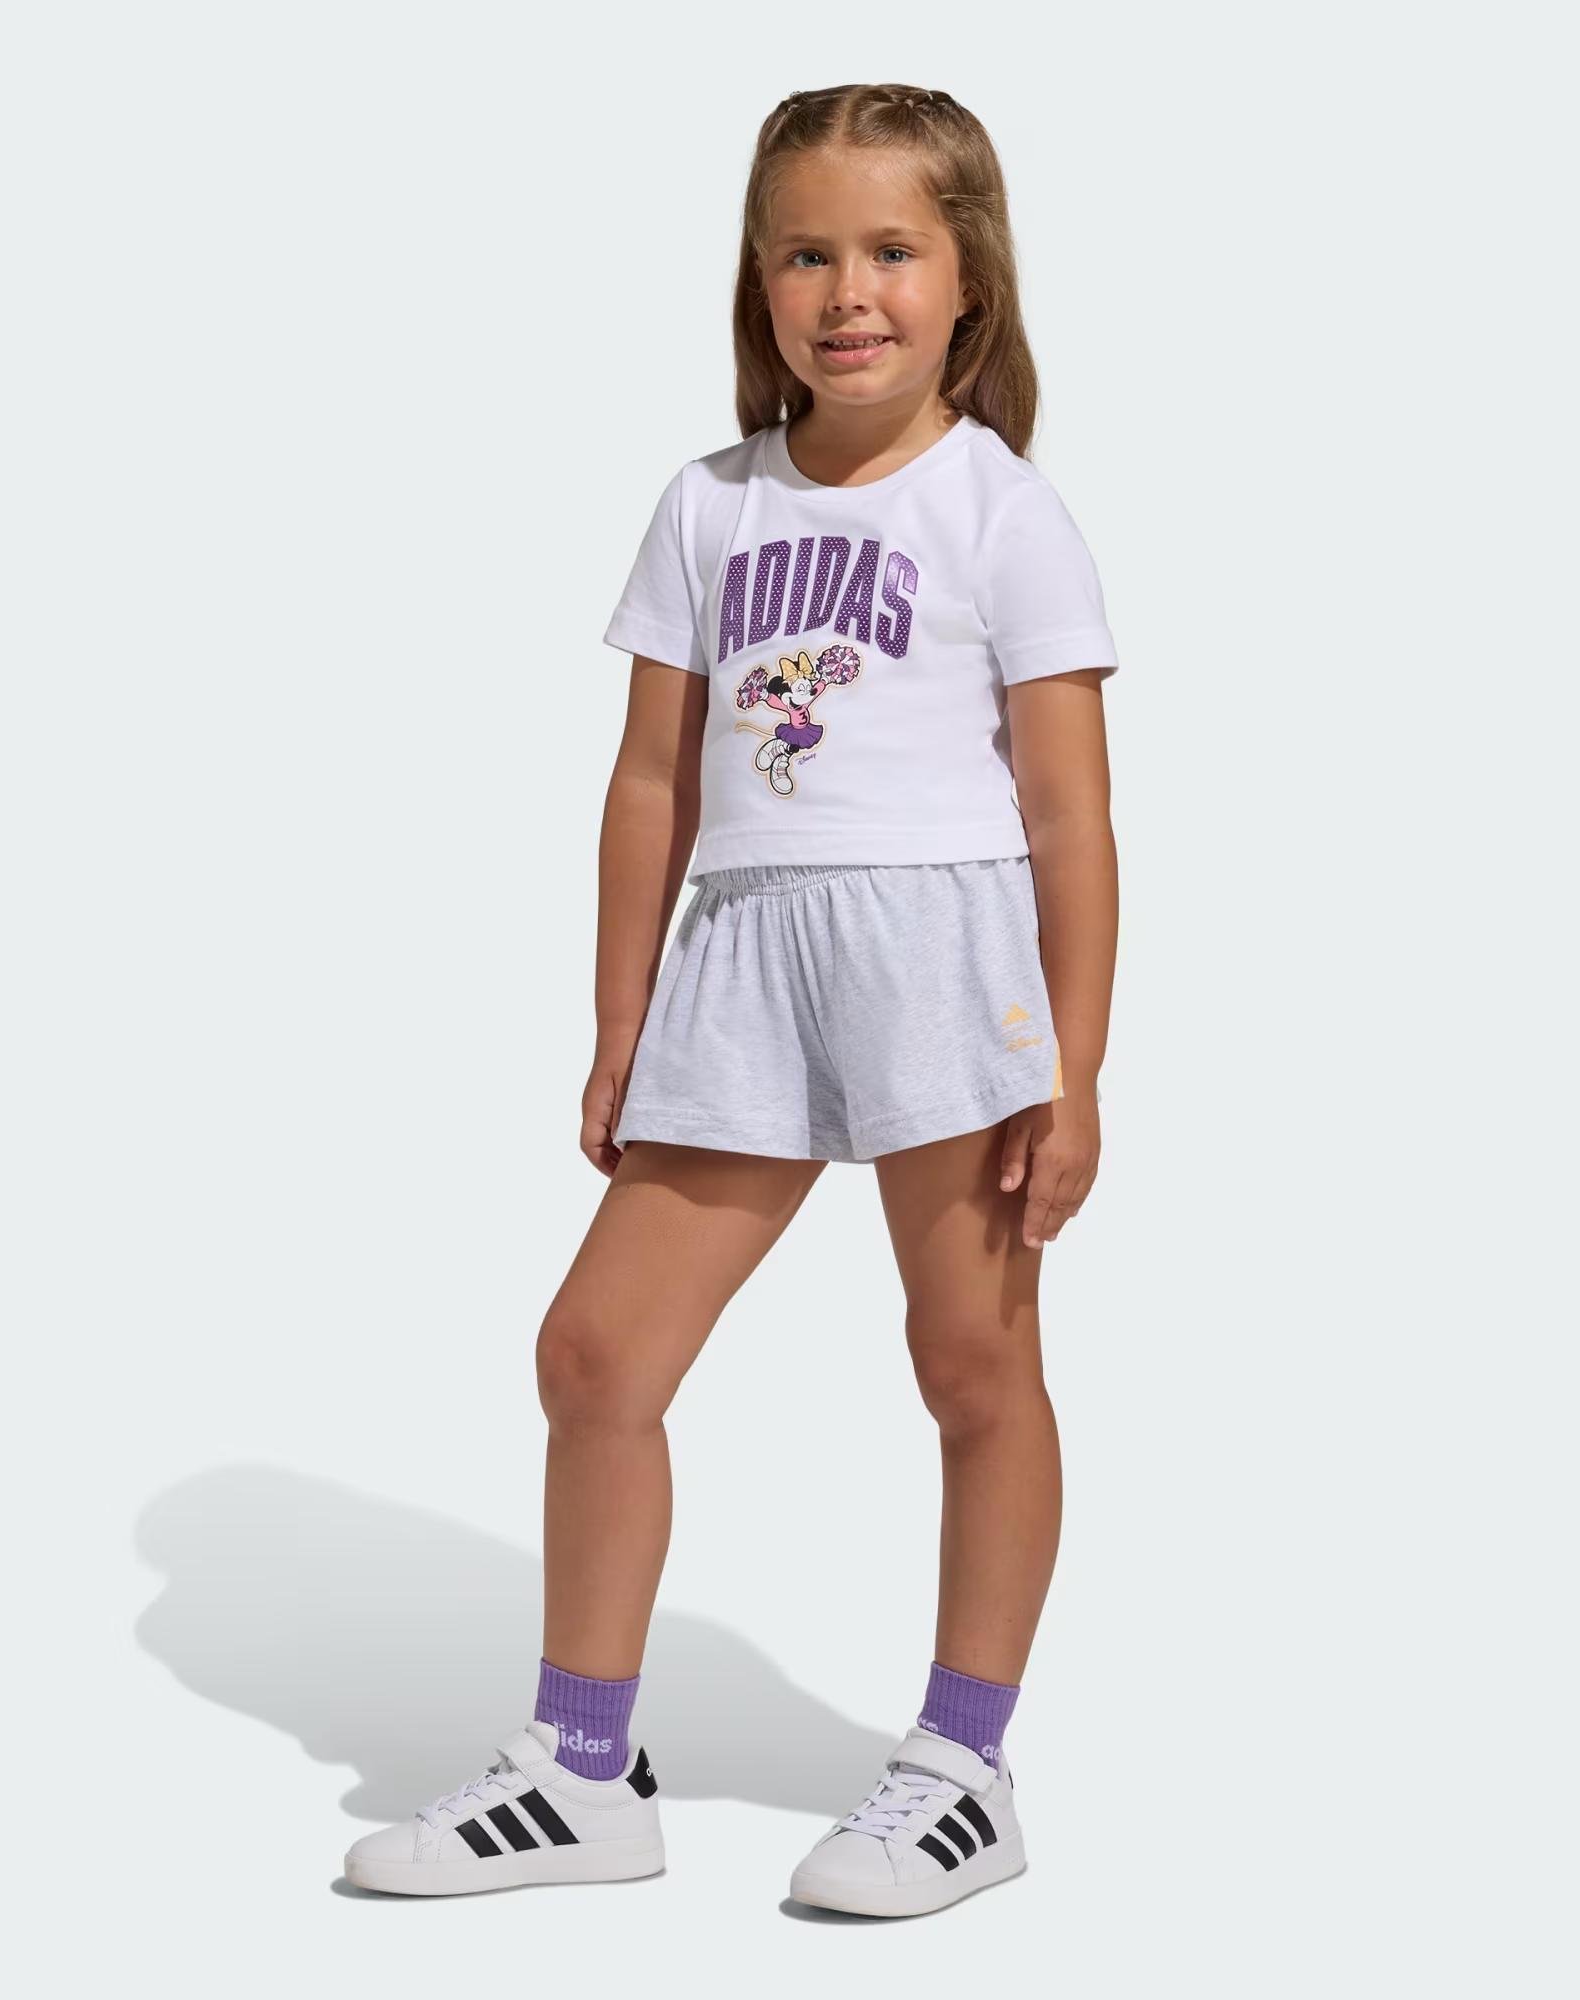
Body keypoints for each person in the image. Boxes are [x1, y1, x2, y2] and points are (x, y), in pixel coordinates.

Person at [344, 80, 1120, 1920]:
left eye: (892, 250)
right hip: (743, 964)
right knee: (595, 1356)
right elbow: (649, 785)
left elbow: (1072, 815)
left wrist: (1077, 1070)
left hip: (943, 960)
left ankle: (963, 1766)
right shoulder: (708, 505)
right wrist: (621, 1019)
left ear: (968, 278)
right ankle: (583, 1766)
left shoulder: (1003, 511)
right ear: (758, 281)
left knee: (974, 1364)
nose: (847, 292)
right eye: (805, 253)